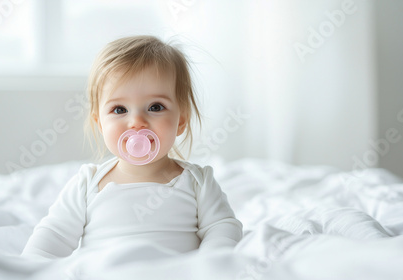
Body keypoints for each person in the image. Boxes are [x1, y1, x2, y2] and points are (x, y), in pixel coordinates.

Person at [21, 35, 243, 259]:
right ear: (100, 123)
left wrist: (212, 262)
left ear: (181, 120)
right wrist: (31, 267)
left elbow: (223, 227)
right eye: (119, 110)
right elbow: (52, 237)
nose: (137, 122)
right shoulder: (88, 184)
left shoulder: (197, 182)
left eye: (156, 107)